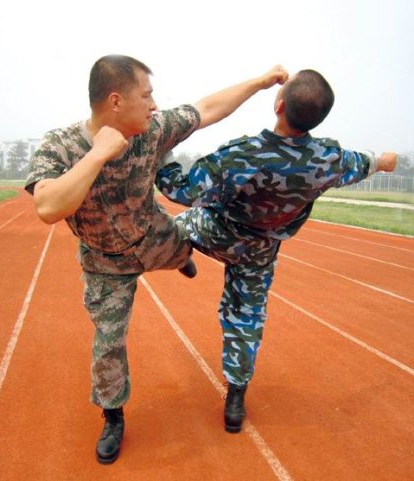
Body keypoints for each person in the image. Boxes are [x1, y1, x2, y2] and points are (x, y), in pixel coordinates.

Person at [25, 54, 288, 464]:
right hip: (105, 261)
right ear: (115, 101)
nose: (154, 104)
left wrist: (260, 82)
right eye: (146, 95)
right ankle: (113, 417)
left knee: (186, 243)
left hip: (155, 236)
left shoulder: (152, 129)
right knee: (108, 344)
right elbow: (47, 207)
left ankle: (181, 255)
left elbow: (206, 109)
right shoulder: (59, 145)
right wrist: (96, 155)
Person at [156, 69, 398, 434]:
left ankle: (180, 255)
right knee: (246, 318)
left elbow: (179, 189)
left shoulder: (243, 155)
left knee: (176, 226)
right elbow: (363, 163)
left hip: (217, 233)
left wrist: (164, 148)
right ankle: (236, 397)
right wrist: (384, 160)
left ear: (278, 105)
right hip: (261, 251)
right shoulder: (328, 158)